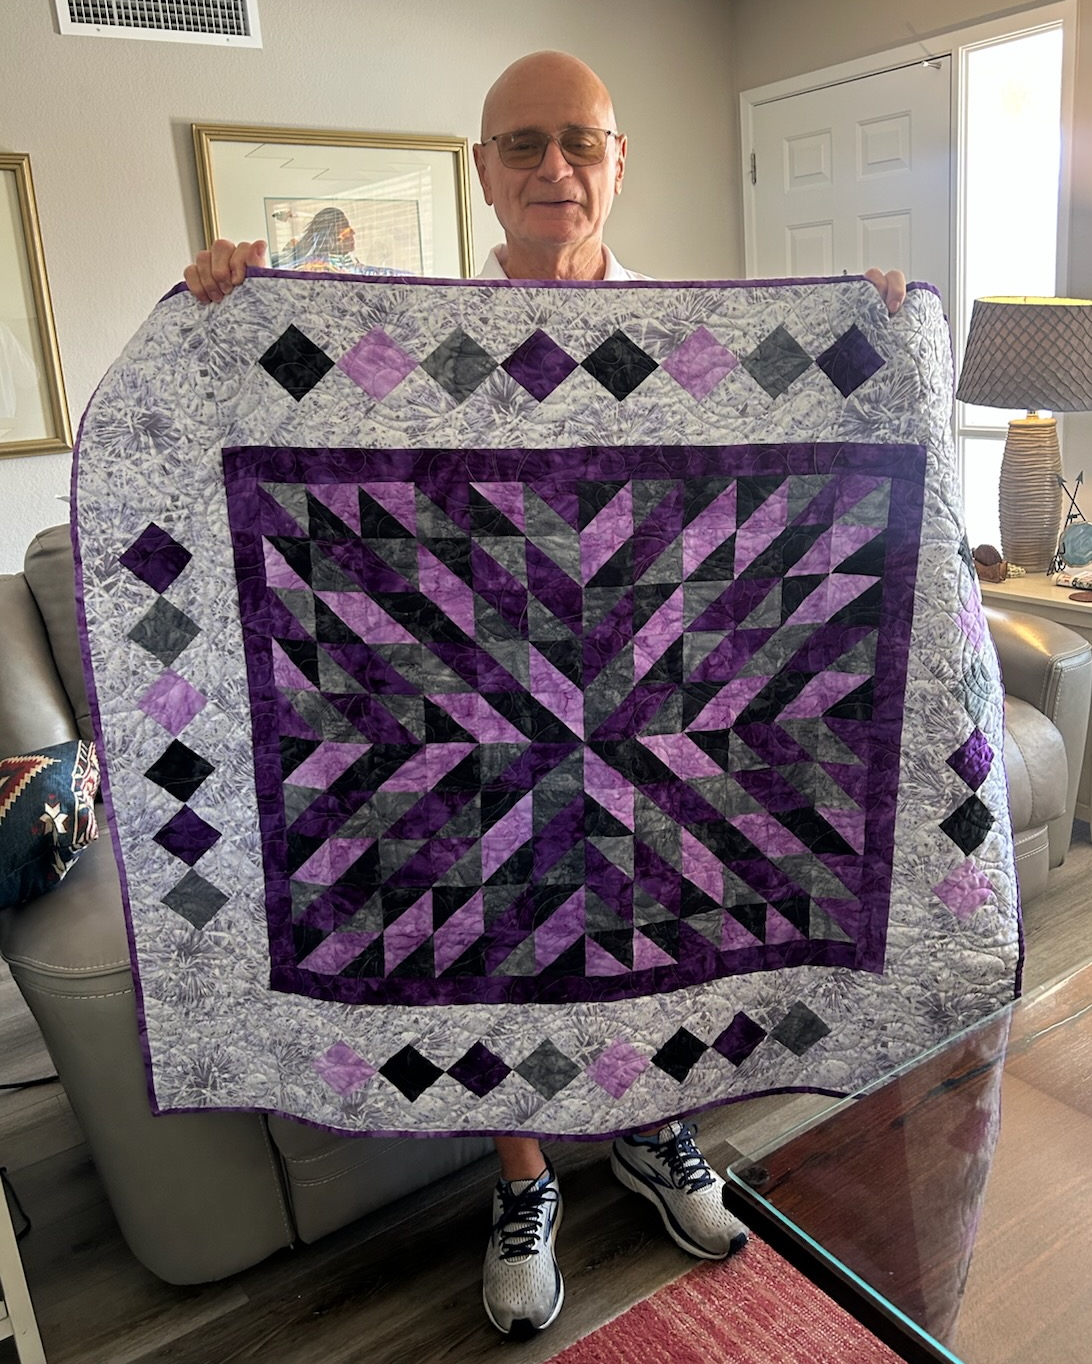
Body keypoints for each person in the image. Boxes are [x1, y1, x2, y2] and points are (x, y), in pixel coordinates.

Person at [181, 49, 907, 1341]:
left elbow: (804, 476)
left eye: (580, 140)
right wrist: (227, 308)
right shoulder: (409, 348)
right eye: (523, 143)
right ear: (484, 169)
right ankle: (524, 1183)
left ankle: (654, 1130)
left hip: (665, 694)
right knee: (491, 916)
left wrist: (877, 334)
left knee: (667, 892)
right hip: (469, 706)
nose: (553, 166)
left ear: (621, 161)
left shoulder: (693, 343)